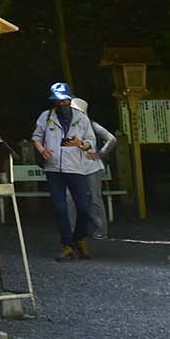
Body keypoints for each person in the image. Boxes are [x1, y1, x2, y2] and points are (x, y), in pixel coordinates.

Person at [32, 82, 99, 260]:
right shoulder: (46, 117)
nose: (61, 104)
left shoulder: (81, 118)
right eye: (57, 101)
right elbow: (36, 137)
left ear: (70, 100)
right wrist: (42, 150)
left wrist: (80, 144)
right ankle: (67, 244)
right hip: (53, 167)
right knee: (60, 208)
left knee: (84, 207)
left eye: (64, 100)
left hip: (76, 167)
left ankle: (80, 238)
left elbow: (91, 142)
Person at [68, 97, 119, 239]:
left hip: (92, 168)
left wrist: (100, 154)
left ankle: (101, 230)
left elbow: (112, 139)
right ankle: (72, 230)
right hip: (74, 167)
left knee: (94, 198)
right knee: (70, 197)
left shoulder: (91, 124)